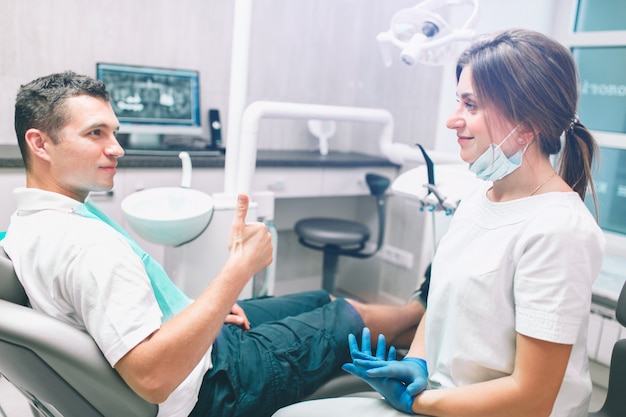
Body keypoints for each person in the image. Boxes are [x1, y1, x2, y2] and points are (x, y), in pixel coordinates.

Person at [1, 71, 425, 417]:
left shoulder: (27, 223)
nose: (116, 148)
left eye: (113, 131)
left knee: (318, 297)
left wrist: (204, 311)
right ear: (40, 143)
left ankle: (417, 319)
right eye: (95, 133)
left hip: (192, 343)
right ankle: (422, 318)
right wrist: (239, 269)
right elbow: (153, 377)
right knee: (346, 312)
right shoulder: (86, 246)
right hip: (214, 384)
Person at [340, 28, 606, 417]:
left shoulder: (559, 230)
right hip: (444, 399)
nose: (453, 120)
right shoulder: (478, 197)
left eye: (471, 105)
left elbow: (533, 397)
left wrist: (418, 402)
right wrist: (417, 360)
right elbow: (442, 298)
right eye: (457, 102)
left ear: (528, 125)